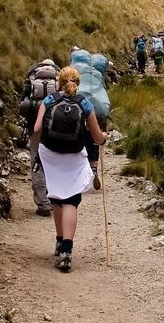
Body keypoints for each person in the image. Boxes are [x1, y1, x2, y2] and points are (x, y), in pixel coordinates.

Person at [30, 65, 108, 271]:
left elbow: (37, 129)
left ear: (59, 81)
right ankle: (66, 250)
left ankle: (59, 242)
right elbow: (97, 137)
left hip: (50, 155)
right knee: (71, 200)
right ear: (78, 82)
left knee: (56, 197)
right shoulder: (84, 103)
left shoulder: (49, 100)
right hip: (74, 156)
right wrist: (104, 138)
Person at [18, 58, 59, 216]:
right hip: (54, 128)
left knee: (36, 161)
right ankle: (55, 198)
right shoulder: (58, 76)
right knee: (53, 161)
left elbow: (23, 102)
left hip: (34, 127)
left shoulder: (32, 76)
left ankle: (42, 203)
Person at [69, 47, 113, 190]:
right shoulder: (98, 72)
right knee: (95, 138)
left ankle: (78, 172)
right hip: (98, 107)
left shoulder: (75, 70)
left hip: (79, 107)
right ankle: (93, 169)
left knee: (79, 138)